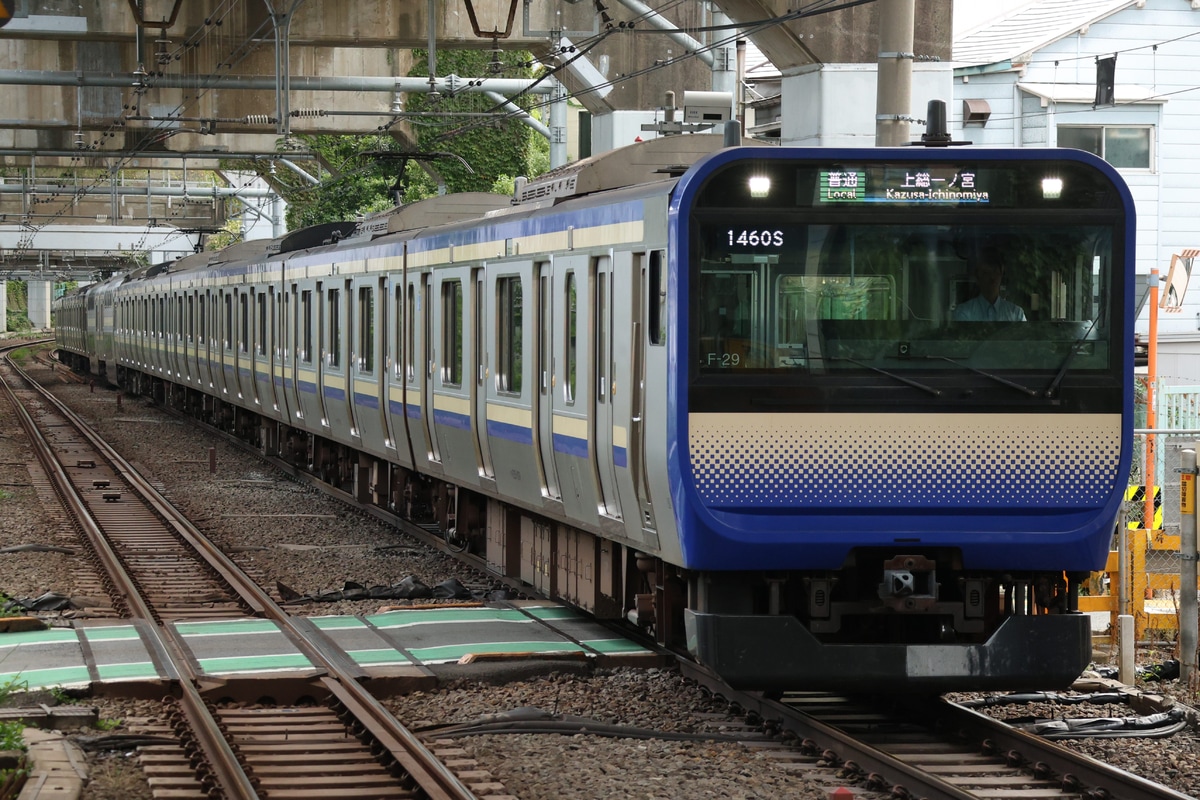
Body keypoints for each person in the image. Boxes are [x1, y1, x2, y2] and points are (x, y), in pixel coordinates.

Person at [952, 248, 1027, 322]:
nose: (992, 277)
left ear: (1001, 276)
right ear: (978, 279)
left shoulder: (1016, 314)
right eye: (986, 273)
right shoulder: (963, 312)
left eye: (995, 271)